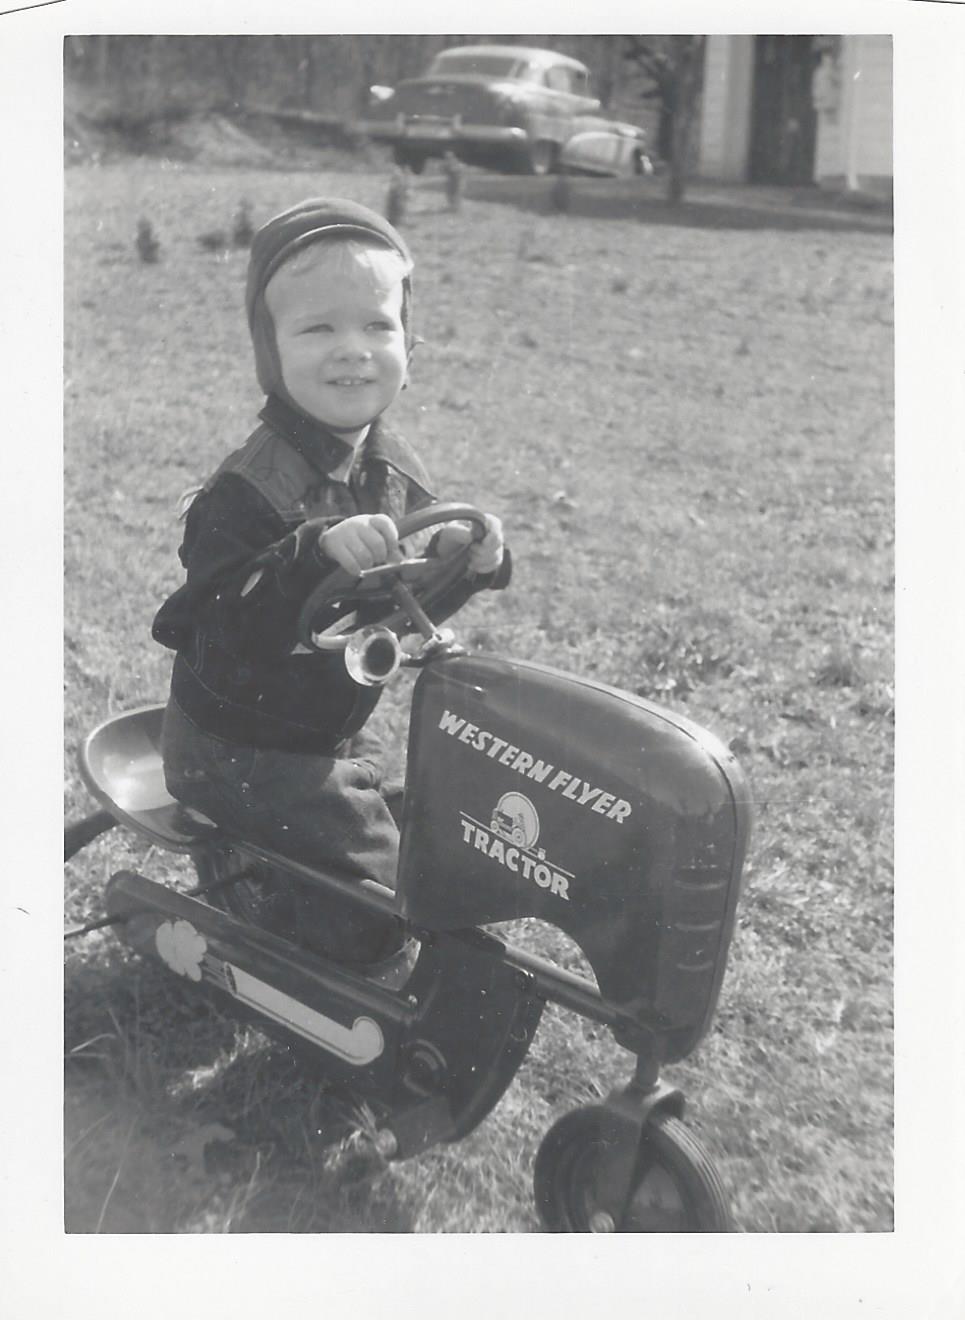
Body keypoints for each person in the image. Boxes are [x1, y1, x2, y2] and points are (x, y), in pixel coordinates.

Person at [152, 197, 509, 977]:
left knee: (435, 824)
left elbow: (400, 601)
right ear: (269, 349)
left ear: (409, 342)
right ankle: (342, 960)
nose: (352, 350)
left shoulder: (392, 470)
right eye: (318, 329)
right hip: (236, 743)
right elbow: (220, 621)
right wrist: (311, 555)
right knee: (382, 883)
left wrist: (464, 562)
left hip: (323, 727)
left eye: (376, 326)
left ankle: (323, 893)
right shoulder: (246, 491)